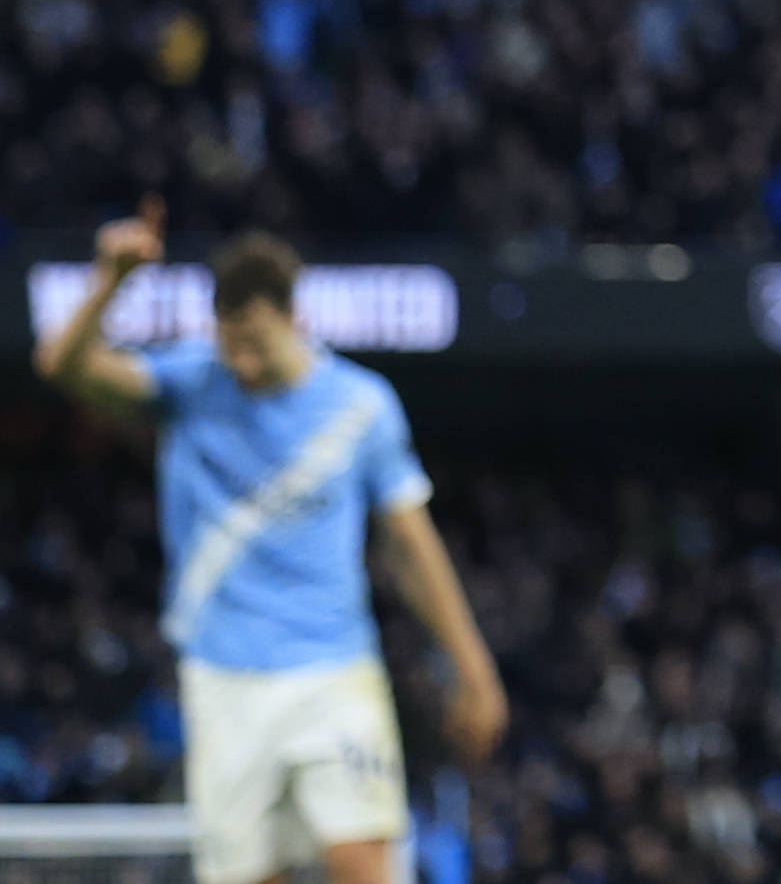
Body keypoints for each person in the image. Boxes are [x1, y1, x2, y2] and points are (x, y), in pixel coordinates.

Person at [33, 202, 507, 884]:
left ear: (295, 317)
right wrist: (111, 281)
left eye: (256, 341)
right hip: (222, 677)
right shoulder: (192, 382)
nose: (244, 361)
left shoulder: (361, 406)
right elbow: (63, 365)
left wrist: (473, 667)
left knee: (362, 862)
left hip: (334, 672)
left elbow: (411, 546)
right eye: (231, 343)